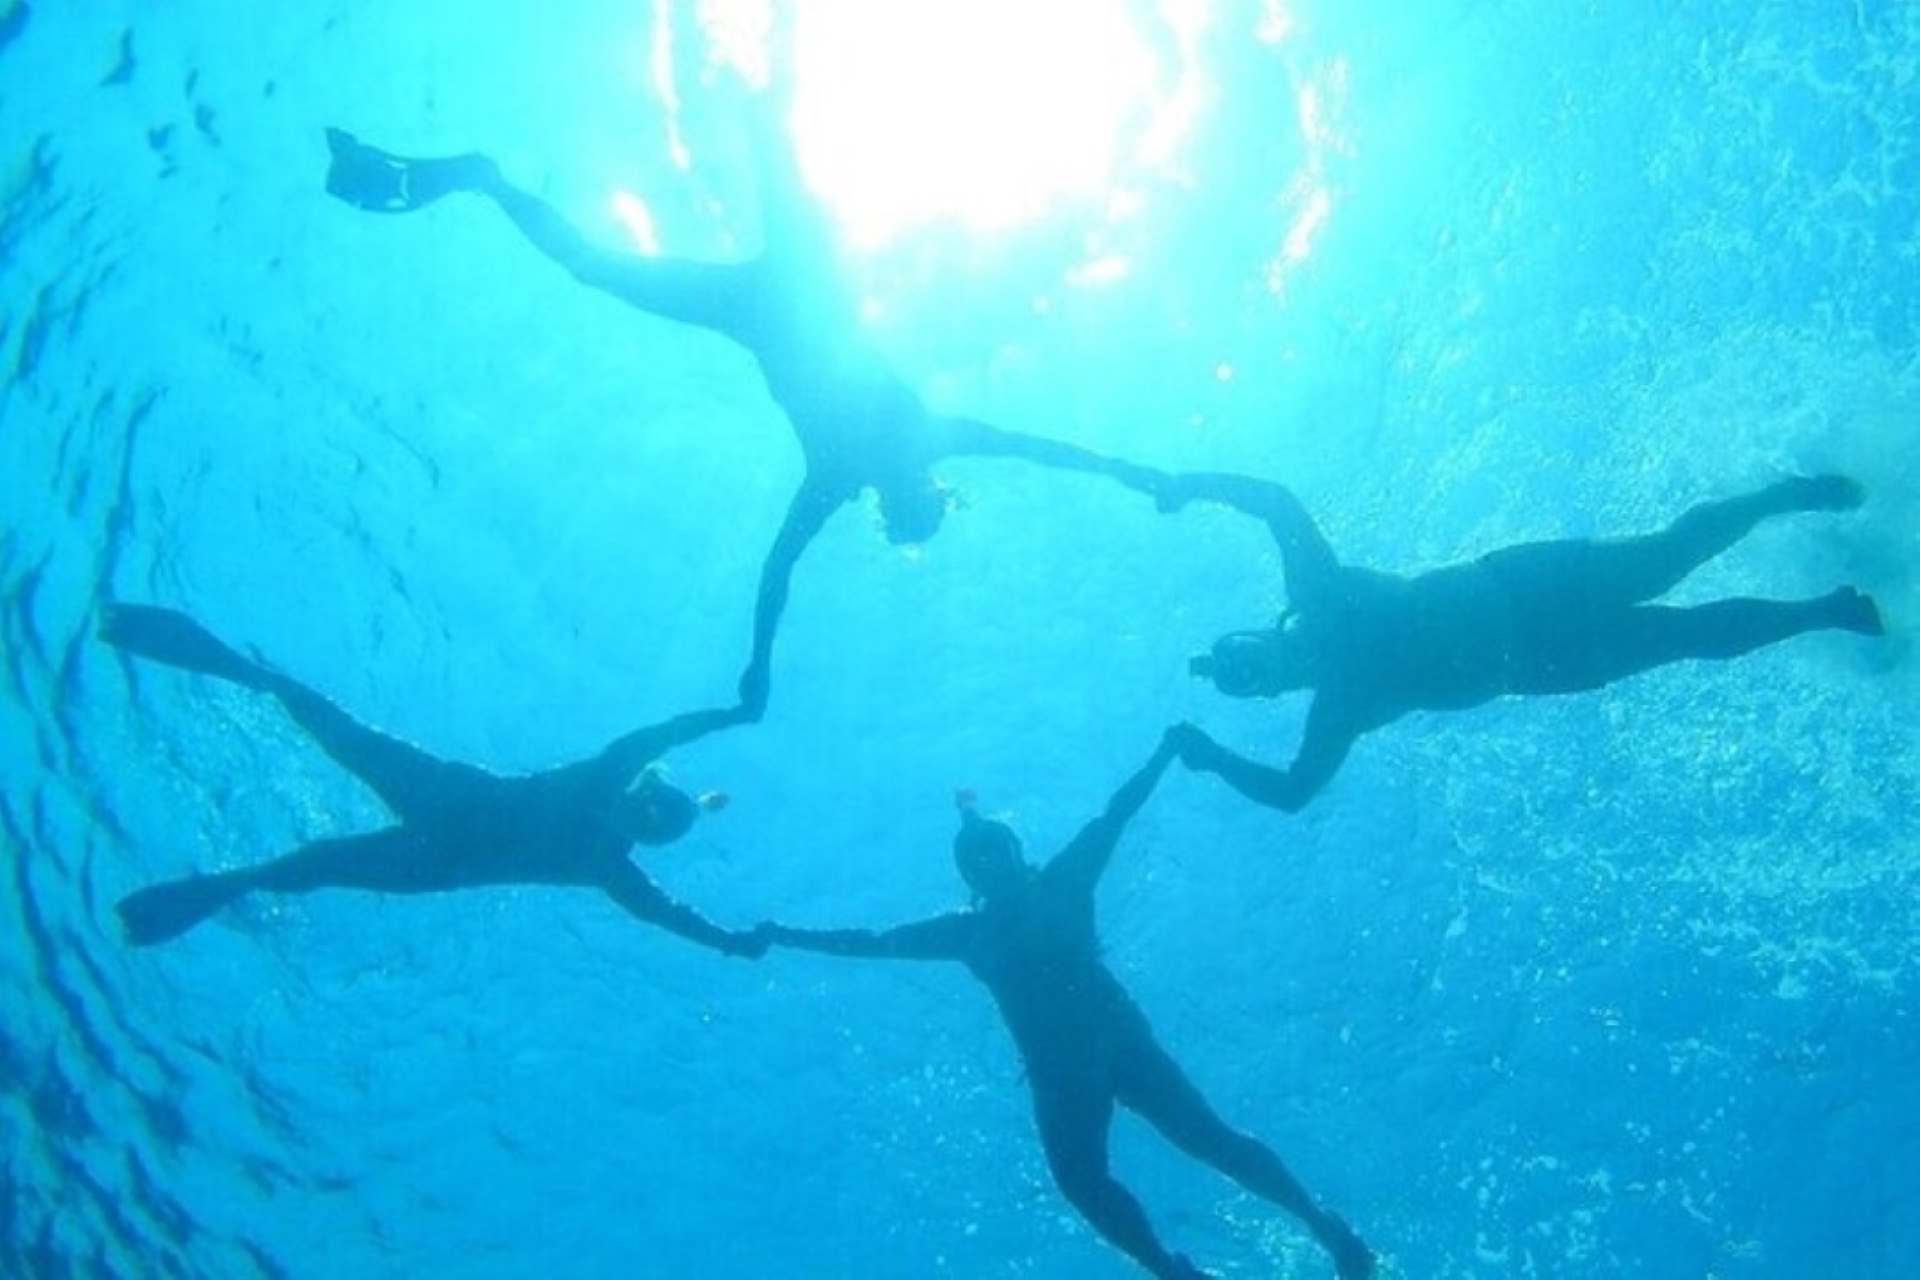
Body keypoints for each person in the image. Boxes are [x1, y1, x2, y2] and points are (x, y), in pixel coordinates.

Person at [320, 47, 1168, 719]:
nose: (908, 500)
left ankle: (482, 177)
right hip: (800, 283)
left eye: (903, 513)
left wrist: (758, 664)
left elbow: (777, 577)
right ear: (931, 497)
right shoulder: (920, 440)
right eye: (922, 509)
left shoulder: (837, 482)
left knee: (600, 265)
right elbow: (1040, 451)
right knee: (765, 125)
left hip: (758, 305)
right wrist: (1137, 474)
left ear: (895, 508)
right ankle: (490, 172)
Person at [766, 730, 1375, 1280]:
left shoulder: (1055, 883)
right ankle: (1174, 1269)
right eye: (976, 859)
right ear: (971, 878)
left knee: (1206, 1140)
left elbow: (1117, 813)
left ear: (1014, 850)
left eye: (994, 849)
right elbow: (872, 943)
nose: (988, 862)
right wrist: (786, 934)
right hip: (1064, 1073)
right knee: (1085, 1184)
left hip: (1112, 1045)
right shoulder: (969, 931)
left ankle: (1324, 1230)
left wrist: (1163, 756)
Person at [1166, 471, 1886, 812]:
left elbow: (1276, 501)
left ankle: (1782, 496)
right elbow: (1294, 792)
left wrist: (1188, 483)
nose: (1258, 665)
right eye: (1250, 678)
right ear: (1274, 689)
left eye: (1245, 653)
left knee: (1666, 558)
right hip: (1537, 664)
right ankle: (1828, 611)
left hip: (1522, 586)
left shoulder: (1317, 592)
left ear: (1261, 630)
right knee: (1683, 637)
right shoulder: (1338, 706)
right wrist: (1214, 759)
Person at [103, 603, 767, 955]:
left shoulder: (609, 866)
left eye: (652, 832)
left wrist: (727, 944)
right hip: (448, 794)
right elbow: (659, 736)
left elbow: (668, 917)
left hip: (443, 860)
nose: (642, 822)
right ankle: (215, 657)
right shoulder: (606, 779)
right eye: (652, 809)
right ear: (642, 792)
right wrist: (730, 715)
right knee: (317, 714)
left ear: (644, 843)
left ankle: (218, 890)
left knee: (315, 863)